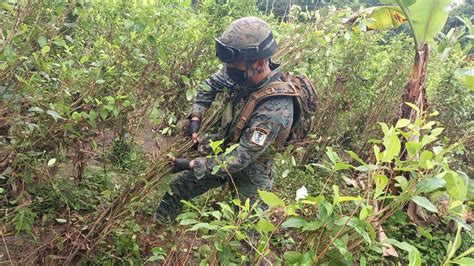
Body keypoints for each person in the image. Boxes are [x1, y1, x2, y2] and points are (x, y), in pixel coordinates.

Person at [155, 16, 295, 223]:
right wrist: (196, 116)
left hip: (252, 167)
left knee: (249, 226)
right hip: (226, 147)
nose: (229, 71)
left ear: (259, 63)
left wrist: (190, 163)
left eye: (234, 67)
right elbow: (209, 85)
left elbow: (239, 159)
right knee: (178, 190)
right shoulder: (239, 71)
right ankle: (157, 229)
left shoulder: (275, 108)